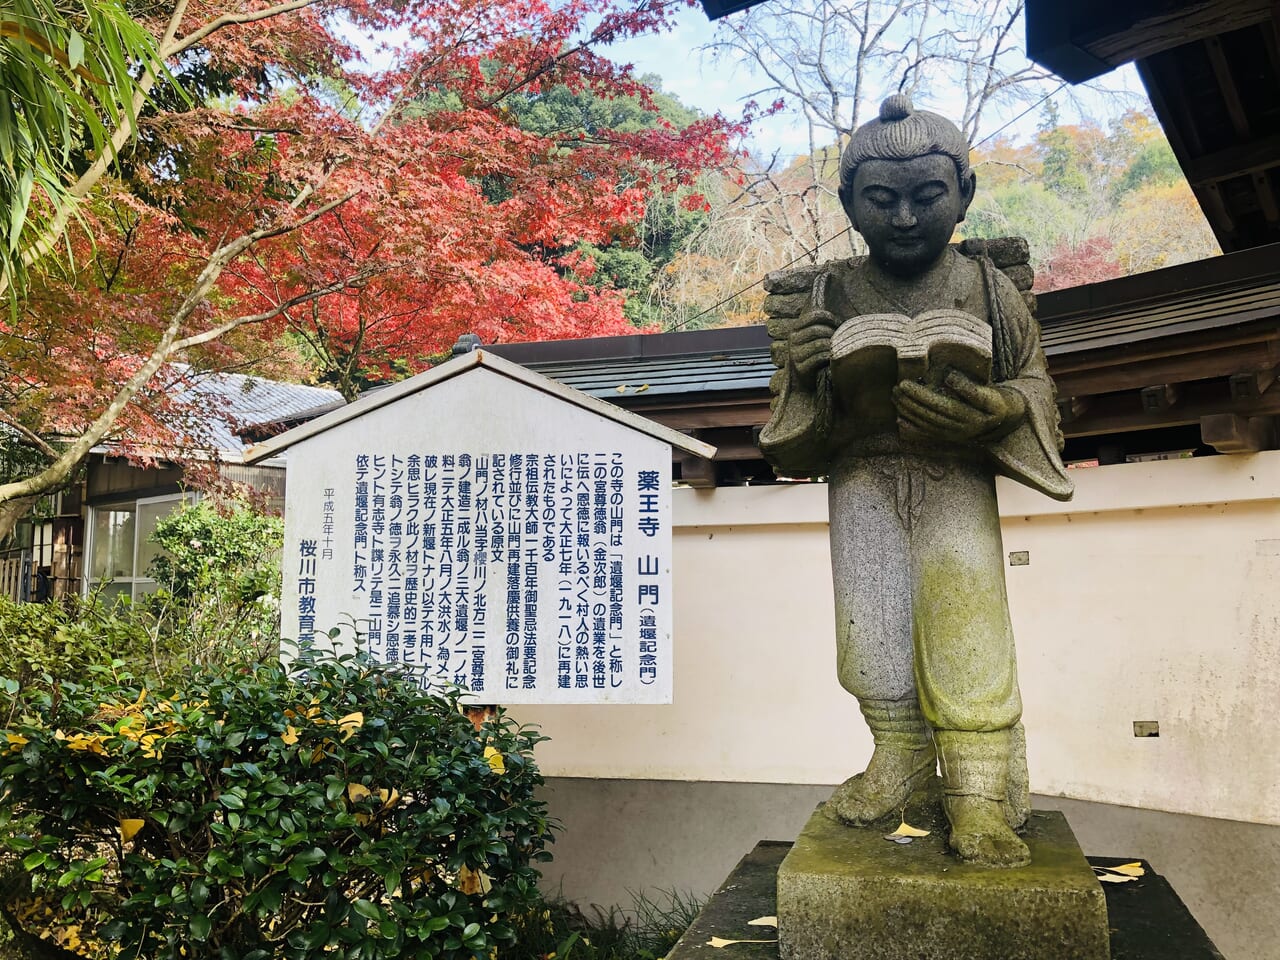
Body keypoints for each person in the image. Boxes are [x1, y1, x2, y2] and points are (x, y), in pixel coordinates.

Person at [760, 94, 1074, 867]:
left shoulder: (989, 289)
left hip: (957, 476)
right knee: (872, 633)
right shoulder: (827, 295)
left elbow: (1034, 383)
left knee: (968, 629)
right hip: (863, 477)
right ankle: (897, 754)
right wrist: (805, 376)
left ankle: (977, 801)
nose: (904, 217)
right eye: (882, 199)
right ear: (848, 204)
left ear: (964, 193)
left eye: (928, 196)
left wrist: (1000, 408)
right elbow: (789, 442)